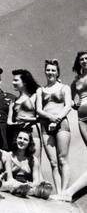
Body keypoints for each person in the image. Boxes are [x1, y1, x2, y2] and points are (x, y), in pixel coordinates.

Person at [36, 59, 72, 193]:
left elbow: (68, 106)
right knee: (53, 162)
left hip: (61, 123)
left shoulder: (64, 88)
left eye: (53, 70)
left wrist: (56, 120)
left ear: (57, 73)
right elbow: (39, 109)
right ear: (45, 71)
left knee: (63, 159)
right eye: (48, 70)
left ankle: (64, 192)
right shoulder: (41, 90)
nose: (50, 72)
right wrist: (49, 117)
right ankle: (58, 191)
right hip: (46, 124)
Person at [7, 68, 42, 174]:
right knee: (20, 162)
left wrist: (26, 119)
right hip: (19, 133)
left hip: (33, 132)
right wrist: (15, 123)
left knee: (35, 161)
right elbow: (9, 122)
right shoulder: (14, 101)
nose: (13, 82)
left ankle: (38, 185)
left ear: (25, 82)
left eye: (16, 80)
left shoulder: (35, 96)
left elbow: (40, 117)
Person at [4, 128, 53, 199]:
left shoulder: (33, 160)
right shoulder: (9, 156)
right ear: (16, 139)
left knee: (36, 187)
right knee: (9, 185)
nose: (22, 141)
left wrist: (30, 185)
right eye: (20, 138)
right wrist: (20, 185)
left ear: (29, 143)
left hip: (27, 186)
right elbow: (9, 178)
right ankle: (35, 192)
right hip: (13, 184)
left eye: (25, 139)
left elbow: (36, 180)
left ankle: (40, 191)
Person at [71, 51, 87, 148]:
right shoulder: (76, 80)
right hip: (82, 118)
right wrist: (74, 104)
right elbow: (69, 99)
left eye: (86, 58)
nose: (84, 61)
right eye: (82, 59)